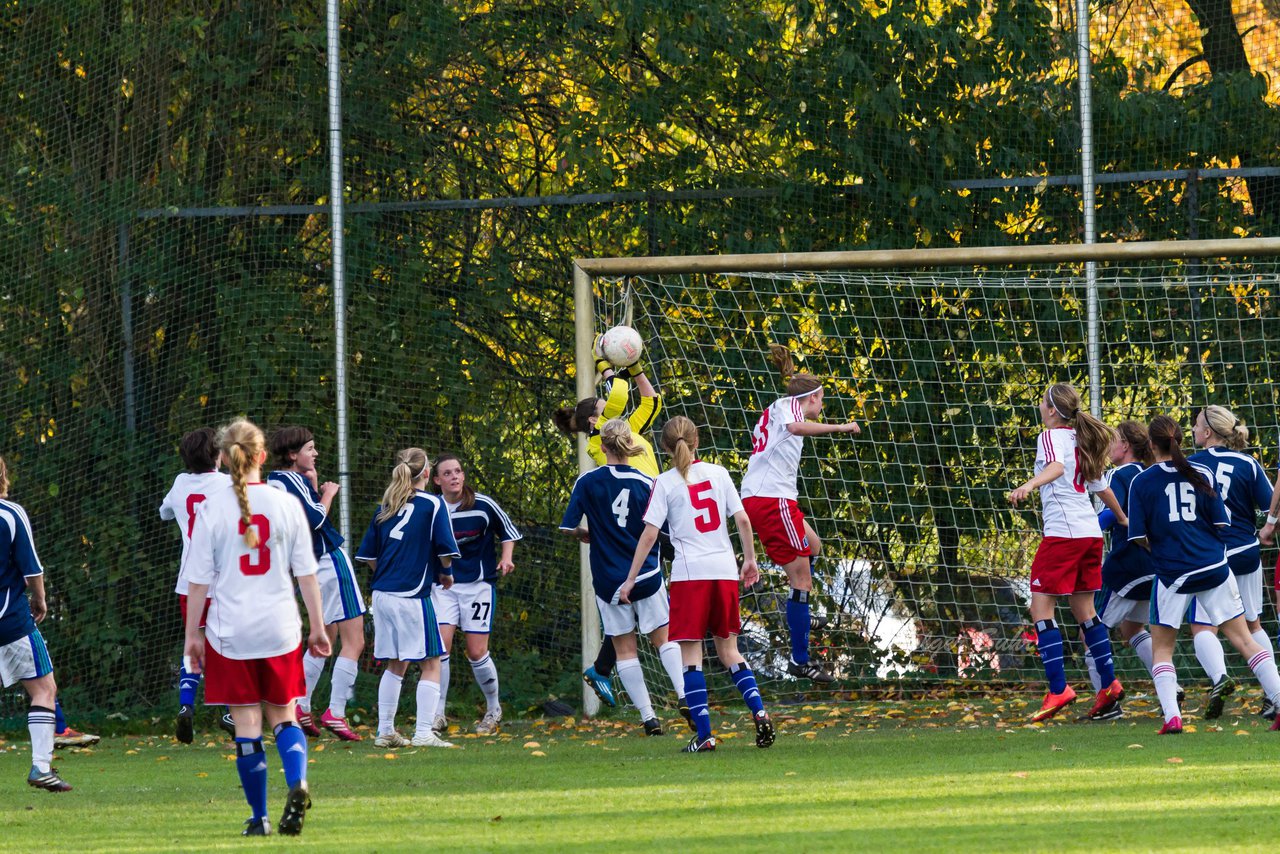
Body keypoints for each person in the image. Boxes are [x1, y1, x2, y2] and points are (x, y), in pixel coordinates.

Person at [184, 419, 330, 835]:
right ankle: (298, 780)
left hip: (231, 632)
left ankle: (260, 818)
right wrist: (317, 628)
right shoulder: (286, 503)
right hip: (280, 627)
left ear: (224, 459)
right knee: (284, 716)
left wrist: (193, 634)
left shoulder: (212, 508)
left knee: (247, 725)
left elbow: (198, 580)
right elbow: (307, 574)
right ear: (262, 456)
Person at [621, 415, 773, 753]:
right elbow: (743, 519)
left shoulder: (664, 482)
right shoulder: (719, 474)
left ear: (664, 448)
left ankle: (705, 736)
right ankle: (760, 712)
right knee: (729, 651)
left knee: (692, 659)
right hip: (723, 571)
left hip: (691, 575)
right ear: (697, 440)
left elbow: (649, 535)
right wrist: (749, 560)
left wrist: (630, 579)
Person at [1126, 415, 1280, 734]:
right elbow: (1221, 523)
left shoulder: (1141, 482)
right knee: (1245, 638)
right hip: (1213, 566)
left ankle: (1173, 717)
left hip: (1172, 574)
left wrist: (1163, 548)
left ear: (1151, 445)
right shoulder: (1202, 472)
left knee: (1163, 649)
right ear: (1179, 440)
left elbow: (1139, 535)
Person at [1008, 382, 1129, 723]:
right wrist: (1121, 518)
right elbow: (1099, 486)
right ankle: (1108, 684)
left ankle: (1058, 689)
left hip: (1064, 534)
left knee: (1040, 607)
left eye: (1042, 403)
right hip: (1090, 535)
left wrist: (1029, 484)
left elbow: (1057, 468)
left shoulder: (1050, 437)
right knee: (1085, 611)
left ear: (1050, 410)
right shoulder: (1082, 440)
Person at [739, 344, 860, 684]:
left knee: (815, 546)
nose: (822, 406)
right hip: (771, 500)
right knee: (801, 579)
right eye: (821, 400)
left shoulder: (776, 408)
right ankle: (800, 660)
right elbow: (795, 428)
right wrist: (841, 428)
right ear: (812, 398)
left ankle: (802, 612)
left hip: (770, 498)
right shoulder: (790, 406)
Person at [560, 419, 689, 735]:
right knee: (664, 638)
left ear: (602, 447)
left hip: (608, 579)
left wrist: (584, 533)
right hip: (646, 573)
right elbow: (661, 531)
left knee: (624, 648)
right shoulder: (648, 482)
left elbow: (567, 527)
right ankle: (687, 697)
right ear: (630, 444)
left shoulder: (587, 482)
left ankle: (649, 719)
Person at [554, 346, 661, 706]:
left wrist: (634, 364)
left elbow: (650, 400)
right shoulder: (602, 440)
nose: (609, 407)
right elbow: (618, 395)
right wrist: (606, 362)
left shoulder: (625, 432)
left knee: (636, 604)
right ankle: (679, 680)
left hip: (657, 513)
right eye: (602, 410)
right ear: (592, 423)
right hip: (640, 523)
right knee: (645, 602)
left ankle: (601, 667)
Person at [355, 448, 460, 748]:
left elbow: (370, 556)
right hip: (412, 594)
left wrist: (391, 571)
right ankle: (424, 732)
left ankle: (385, 731)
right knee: (432, 661)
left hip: (383, 594)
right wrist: (446, 574)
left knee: (396, 663)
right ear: (428, 473)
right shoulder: (433, 504)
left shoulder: (387, 504)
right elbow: (445, 551)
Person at [267, 426, 367, 741]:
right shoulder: (291, 480)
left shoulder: (273, 481)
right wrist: (327, 493)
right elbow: (316, 520)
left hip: (305, 566)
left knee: (326, 637)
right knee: (356, 640)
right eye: (310, 448)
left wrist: (312, 486)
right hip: (328, 561)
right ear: (292, 454)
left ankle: (302, 704)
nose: (316, 453)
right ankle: (335, 712)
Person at [1186, 405, 1274, 719]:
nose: (1193, 430)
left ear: (1208, 431)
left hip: (1213, 557)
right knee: (1252, 624)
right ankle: (1272, 693)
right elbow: (1271, 502)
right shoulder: (1248, 463)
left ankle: (1220, 679)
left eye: (1196, 425)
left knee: (1202, 626)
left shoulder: (1191, 465)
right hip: (1247, 550)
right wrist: (1269, 526)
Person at [428, 453, 521, 735]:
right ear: (436, 480)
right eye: (447, 473)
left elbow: (509, 532)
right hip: (443, 587)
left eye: (458, 471)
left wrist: (506, 558)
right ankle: (437, 714)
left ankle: (493, 709)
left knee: (476, 651)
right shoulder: (431, 508)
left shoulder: (483, 504)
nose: (454, 476)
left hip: (478, 586)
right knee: (440, 649)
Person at [159, 426, 234, 742]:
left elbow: (164, 513)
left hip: (190, 581)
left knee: (195, 640)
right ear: (218, 455)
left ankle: (186, 705)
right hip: (224, 578)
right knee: (229, 644)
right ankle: (230, 711)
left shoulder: (179, 483)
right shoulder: (229, 484)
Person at [0, 456, 71, 792]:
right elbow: (31, 570)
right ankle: (41, 768)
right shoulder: (10, 514)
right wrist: (40, 600)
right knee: (44, 689)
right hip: (9, 622)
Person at [1086, 420, 1156, 720]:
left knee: (1092, 631)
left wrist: (1084, 532)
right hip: (1154, 566)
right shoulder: (1151, 474)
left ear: (1125, 446)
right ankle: (1171, 684)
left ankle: (1108, 702)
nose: (1109, 446)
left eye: (1113, 440)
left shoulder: (1120, 474)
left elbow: (1112, 515)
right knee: (1133, 629)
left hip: (1126, 565)